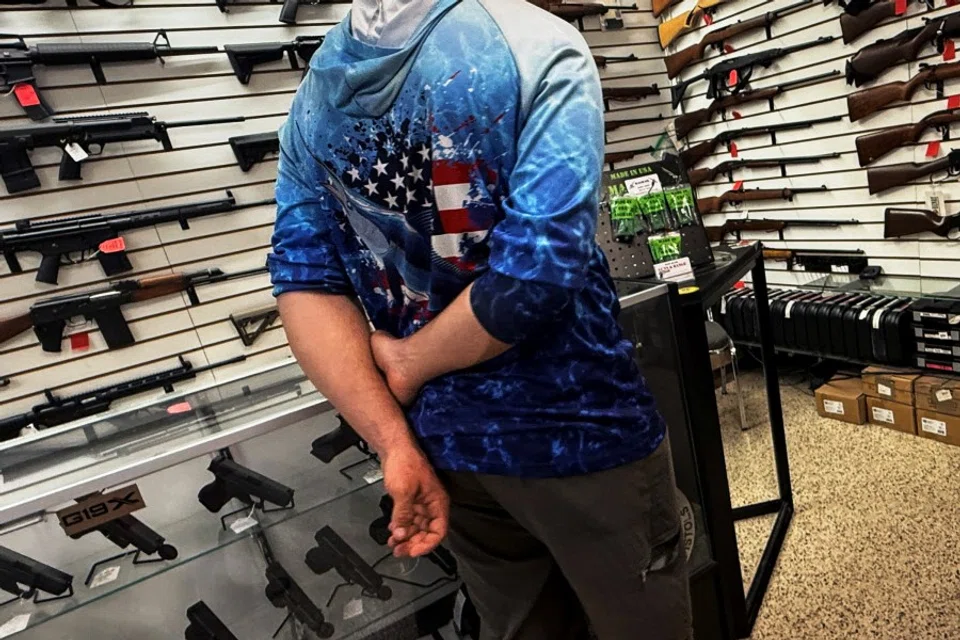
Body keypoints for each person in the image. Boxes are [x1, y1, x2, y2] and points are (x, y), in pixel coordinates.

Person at [268, 0, 692, 637]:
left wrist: (394, 444)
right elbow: (537, 274)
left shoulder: (313, 94)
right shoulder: (535, 40)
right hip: (580, 430)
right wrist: (409, 364)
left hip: (443, 450)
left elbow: (304, 285)